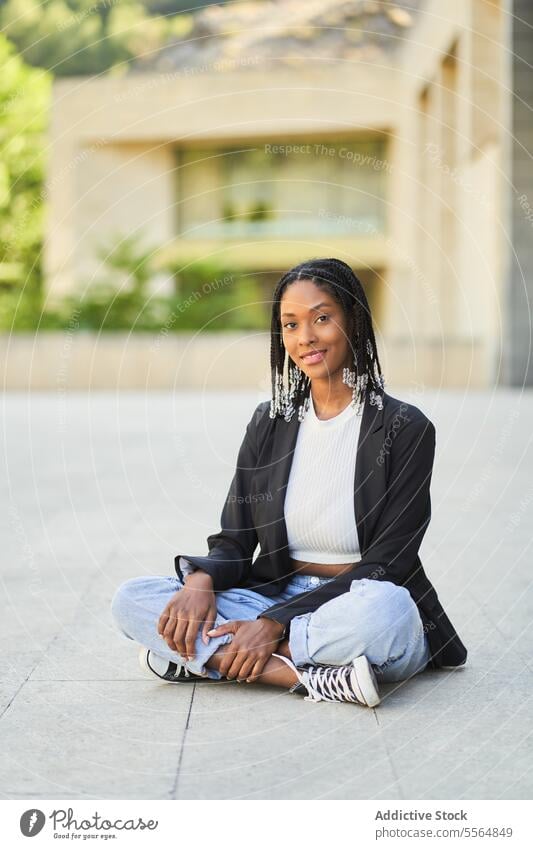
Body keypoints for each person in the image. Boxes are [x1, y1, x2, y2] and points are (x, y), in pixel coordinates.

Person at [111, 257, 467, 706]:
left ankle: (210, 659)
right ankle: (308, 676)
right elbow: (235, 541)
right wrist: (199, 581)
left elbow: (389, 565)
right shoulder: (269, 423)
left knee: (387, 612)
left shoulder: (406, 429)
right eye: (291, 324)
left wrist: (275, 624)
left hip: (355, 601)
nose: (306, 338)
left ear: (353, 320)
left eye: (322, 318)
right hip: (276, 591)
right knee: (133, 599)